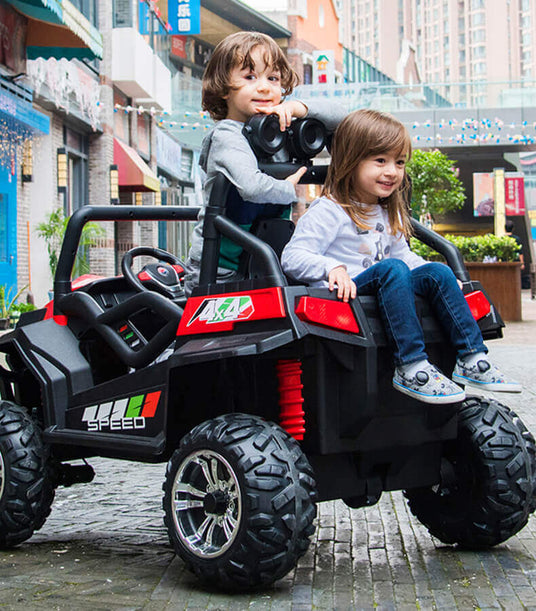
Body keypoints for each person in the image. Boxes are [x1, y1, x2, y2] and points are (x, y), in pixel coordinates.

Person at [281, 109, 521, 404]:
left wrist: (441, 279)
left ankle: (472, 357)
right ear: (351, 161)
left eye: (399, 162)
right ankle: (411, 365)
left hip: (386, 284)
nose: (392, 171)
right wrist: (332, 268)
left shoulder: (385, 211)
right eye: (380, 160)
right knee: (391, 268)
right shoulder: (329, 210)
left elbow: (404, 256)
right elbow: (292, 256)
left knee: (437, 271)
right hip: (350, 292)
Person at [184, 31, 346, 295]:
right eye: (250, 77)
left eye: (273, 78)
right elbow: (252, 187)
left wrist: (297, 109)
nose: (264, 87)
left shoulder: (279, 129)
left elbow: (344, 119)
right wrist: (288, 188)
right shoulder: (227, 135)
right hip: (219, 271)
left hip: (266, 263)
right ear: (223, 86)